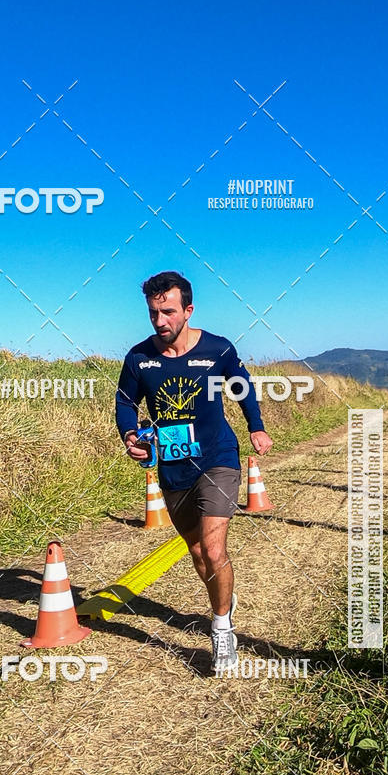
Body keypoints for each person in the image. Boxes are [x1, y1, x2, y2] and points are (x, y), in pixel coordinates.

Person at [115, 270, 273, 671]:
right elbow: (124, 405)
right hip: (173, 466)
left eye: (167, 312)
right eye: (153, 313)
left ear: (188, 310)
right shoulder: (138, 358)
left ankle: (221, 630)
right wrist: (130, 437)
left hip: (218, 458)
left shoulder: (217, 349)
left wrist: (255, 426)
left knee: (215, 547)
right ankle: (223, 596)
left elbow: (242, 386)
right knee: (200, 553)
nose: (160, 321)